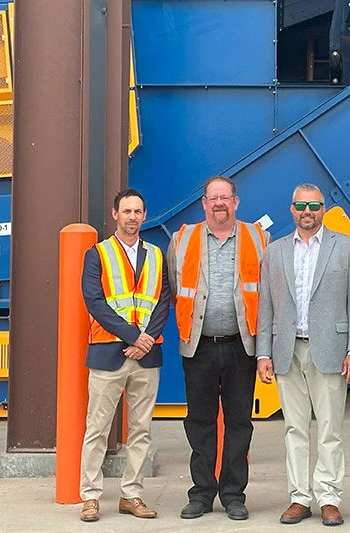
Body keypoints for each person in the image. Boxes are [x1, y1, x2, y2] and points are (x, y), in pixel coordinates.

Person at [256, 183, 350, 527]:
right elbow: (265, 307)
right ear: (291, 209)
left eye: (314, 206)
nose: (307, 212)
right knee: (294, 429)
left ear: (323, 210)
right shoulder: (275, 251)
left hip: (331, 350)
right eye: (301, 206)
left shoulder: (346, 247)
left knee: (330, 429)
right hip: (287, 349)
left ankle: (329, 497)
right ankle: (300, 497)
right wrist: (263, 354)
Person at [167, 175, 269, 521]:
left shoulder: (259, 238)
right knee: (200, 421)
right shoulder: (182, 239)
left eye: (226, 198)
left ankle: (233, 494)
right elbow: (173, 286)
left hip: (243, 346)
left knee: (240, 422)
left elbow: (268, 297)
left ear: (236, 202)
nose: (220, 204)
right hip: (199, 347)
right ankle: (201, 493)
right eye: (213, 198)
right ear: (204, 203)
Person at [79, 188, 171, 522]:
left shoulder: (158, 255)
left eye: (138, 211)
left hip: (146, 357)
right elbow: (94, 301)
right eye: (126, 211)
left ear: (144, 215)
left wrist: (144, 342)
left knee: (141, 431)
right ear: (115, 214)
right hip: (108, 353)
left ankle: (132, 495)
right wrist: (136, 337)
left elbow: (163, 299)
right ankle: (90, 497)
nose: (132, 217)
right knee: (97, 429)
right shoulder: (97, 254)